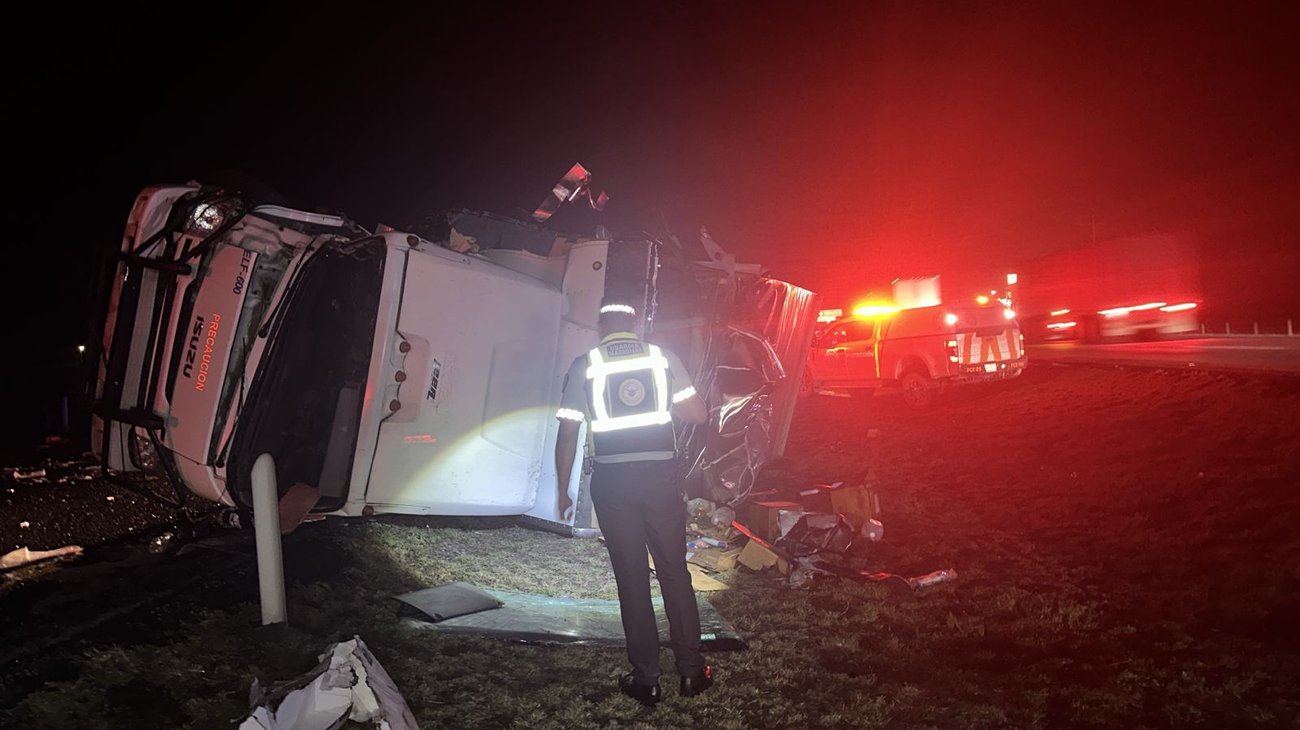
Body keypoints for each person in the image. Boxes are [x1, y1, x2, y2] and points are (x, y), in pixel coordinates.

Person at [554, 297, 714, 707]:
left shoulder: (584, 364)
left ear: (600, 328)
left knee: (632, 579)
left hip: (613, 482)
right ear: (637, 324)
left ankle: (647, 680)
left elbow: (568, 432)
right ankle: (693, 673)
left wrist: (561, 489)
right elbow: (697, 414)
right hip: (661, 479)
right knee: (674, 572)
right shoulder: (662, 358)